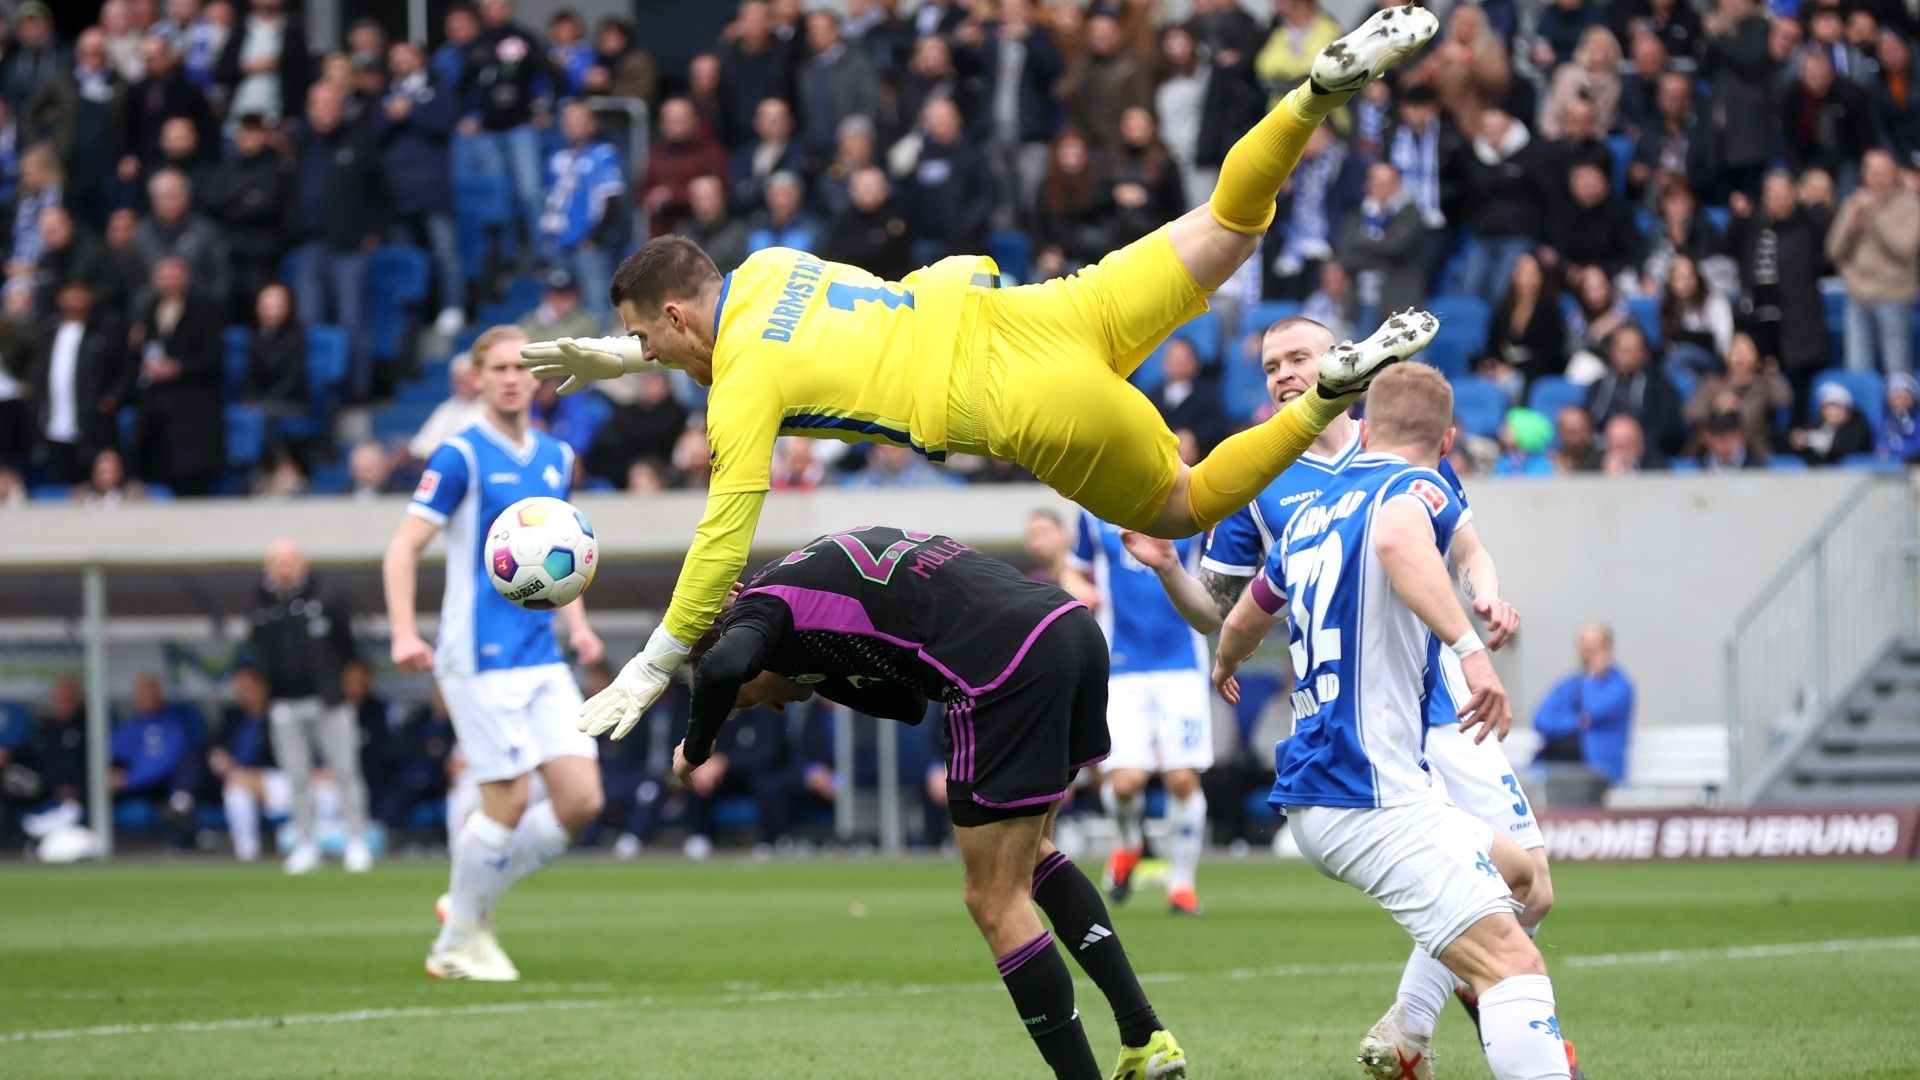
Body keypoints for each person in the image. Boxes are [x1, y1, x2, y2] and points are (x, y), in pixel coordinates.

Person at [525, 7, 1445, 732]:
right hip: (1041, 308)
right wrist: (619, 353)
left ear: (680, 315)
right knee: (1231, 226)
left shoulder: (741, 390)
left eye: (652, 338)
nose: (654, 356)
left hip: (1020, 402)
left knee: (1186, 505)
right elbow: (716, 336)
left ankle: (1330, 387)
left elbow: (723, 539)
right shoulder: (765, 266)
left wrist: (653, 662)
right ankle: (1316, 93)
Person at [1138, 321, 1570, 1075]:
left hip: (1395, 729)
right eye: (1269, 365)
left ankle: (1409, 1031)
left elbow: (1244, 618)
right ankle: (1459, 1017)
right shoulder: (1277, 478)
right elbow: (1395, 545)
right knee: (1511, 955)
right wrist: (1473, 652)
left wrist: (1228, 661)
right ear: (1442, 442)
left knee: (1526, 881)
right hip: (1372, 761)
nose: (1282, 374)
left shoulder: (1318, 507)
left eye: (1298, 358)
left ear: (1351, 383)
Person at [676, 526, 1186, 1079]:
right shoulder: (801, 587)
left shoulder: (760, 608)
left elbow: (724, 668)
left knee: (993, 898)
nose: (767, 709)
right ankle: (1143, 1034)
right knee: (1033, 853)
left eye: (743, 705)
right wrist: (819, 676)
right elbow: (906, 703)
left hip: (1002, 667)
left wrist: (695, 748)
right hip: (1068, 629)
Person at [382, 325, 605, 982]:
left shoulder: (556, 459)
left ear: (537, 377)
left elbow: (558, 560)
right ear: (477, 378)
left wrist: (581, 628)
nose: (512, 377)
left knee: (581, 801)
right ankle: (456, 943)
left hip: (540, 656)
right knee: (505, 800)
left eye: (522, 367)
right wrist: (403, 632)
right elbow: (402, 549)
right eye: (499, 367)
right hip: (474, 656)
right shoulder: (459, 457)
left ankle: (469, 901)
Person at [1061, 508, 1214, 917]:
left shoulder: (1190, 501)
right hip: (1123, 664)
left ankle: (1182, 885)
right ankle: (1128, 841)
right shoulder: (1094, 509)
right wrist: (1079, 589)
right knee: (1125, 783)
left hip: (1181, 661)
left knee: (1182, 778)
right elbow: (1072, 569)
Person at [251, 538, 369, 874]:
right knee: (296, 776)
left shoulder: (327, 594)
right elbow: (258, 648)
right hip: (285, 702)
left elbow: (347, 645)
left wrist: (341, 682)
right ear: (268, 567)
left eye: (290, 558)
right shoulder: (262, 602)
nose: (285, 565)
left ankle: (356, 840)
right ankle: (305, 843)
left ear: (302, 563)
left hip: (328, 701)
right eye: (278, 559)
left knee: (345, 770)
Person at [1828, 149, 1920, 376]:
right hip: (1857, 298)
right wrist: (1851, 224)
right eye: (1874, 172)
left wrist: (1876, 216)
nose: (1879, 179)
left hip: (1894, 298)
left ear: (1895, 174)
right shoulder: (1853, 203)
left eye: (1885, 173)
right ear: (1864, 174)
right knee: (1857, 371)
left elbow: (1904, 248)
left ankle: (1899, 414)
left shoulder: (1910, 206)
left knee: (1896, 371)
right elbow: (1833, 250)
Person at [539, 101, 626, 323]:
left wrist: (594, 237)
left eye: (579, 121)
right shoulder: (557, 158)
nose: (573, 126)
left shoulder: (603, 154)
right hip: (559, 244)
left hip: (588, 244)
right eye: (568, 122)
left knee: (597, 305)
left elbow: (612, 198)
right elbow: (552, 200)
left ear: (591, 124)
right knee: (559, 308)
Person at [1533, 623, 1634, 788]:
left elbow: (1593, 709)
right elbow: (1541, 720)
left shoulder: (1620, 687)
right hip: (1555, 767)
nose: (1588, 654)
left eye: (1595, 648)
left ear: (1608, 650)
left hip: (1597, 773)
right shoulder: (1568, 684)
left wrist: (1593, 678)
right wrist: (1577, 722)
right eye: (1584, 647)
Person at [211, 666, 290, 863]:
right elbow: (216, 748)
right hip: (238, 780)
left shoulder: (279, 715)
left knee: (238, 782)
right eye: (240, 690)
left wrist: (252, 775)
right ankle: (247, 854)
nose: (244, 695)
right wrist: (219, 759)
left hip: (277, 778)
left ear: (263, 688)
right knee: (235, 789)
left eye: (249, 688)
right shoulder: (232, 717)